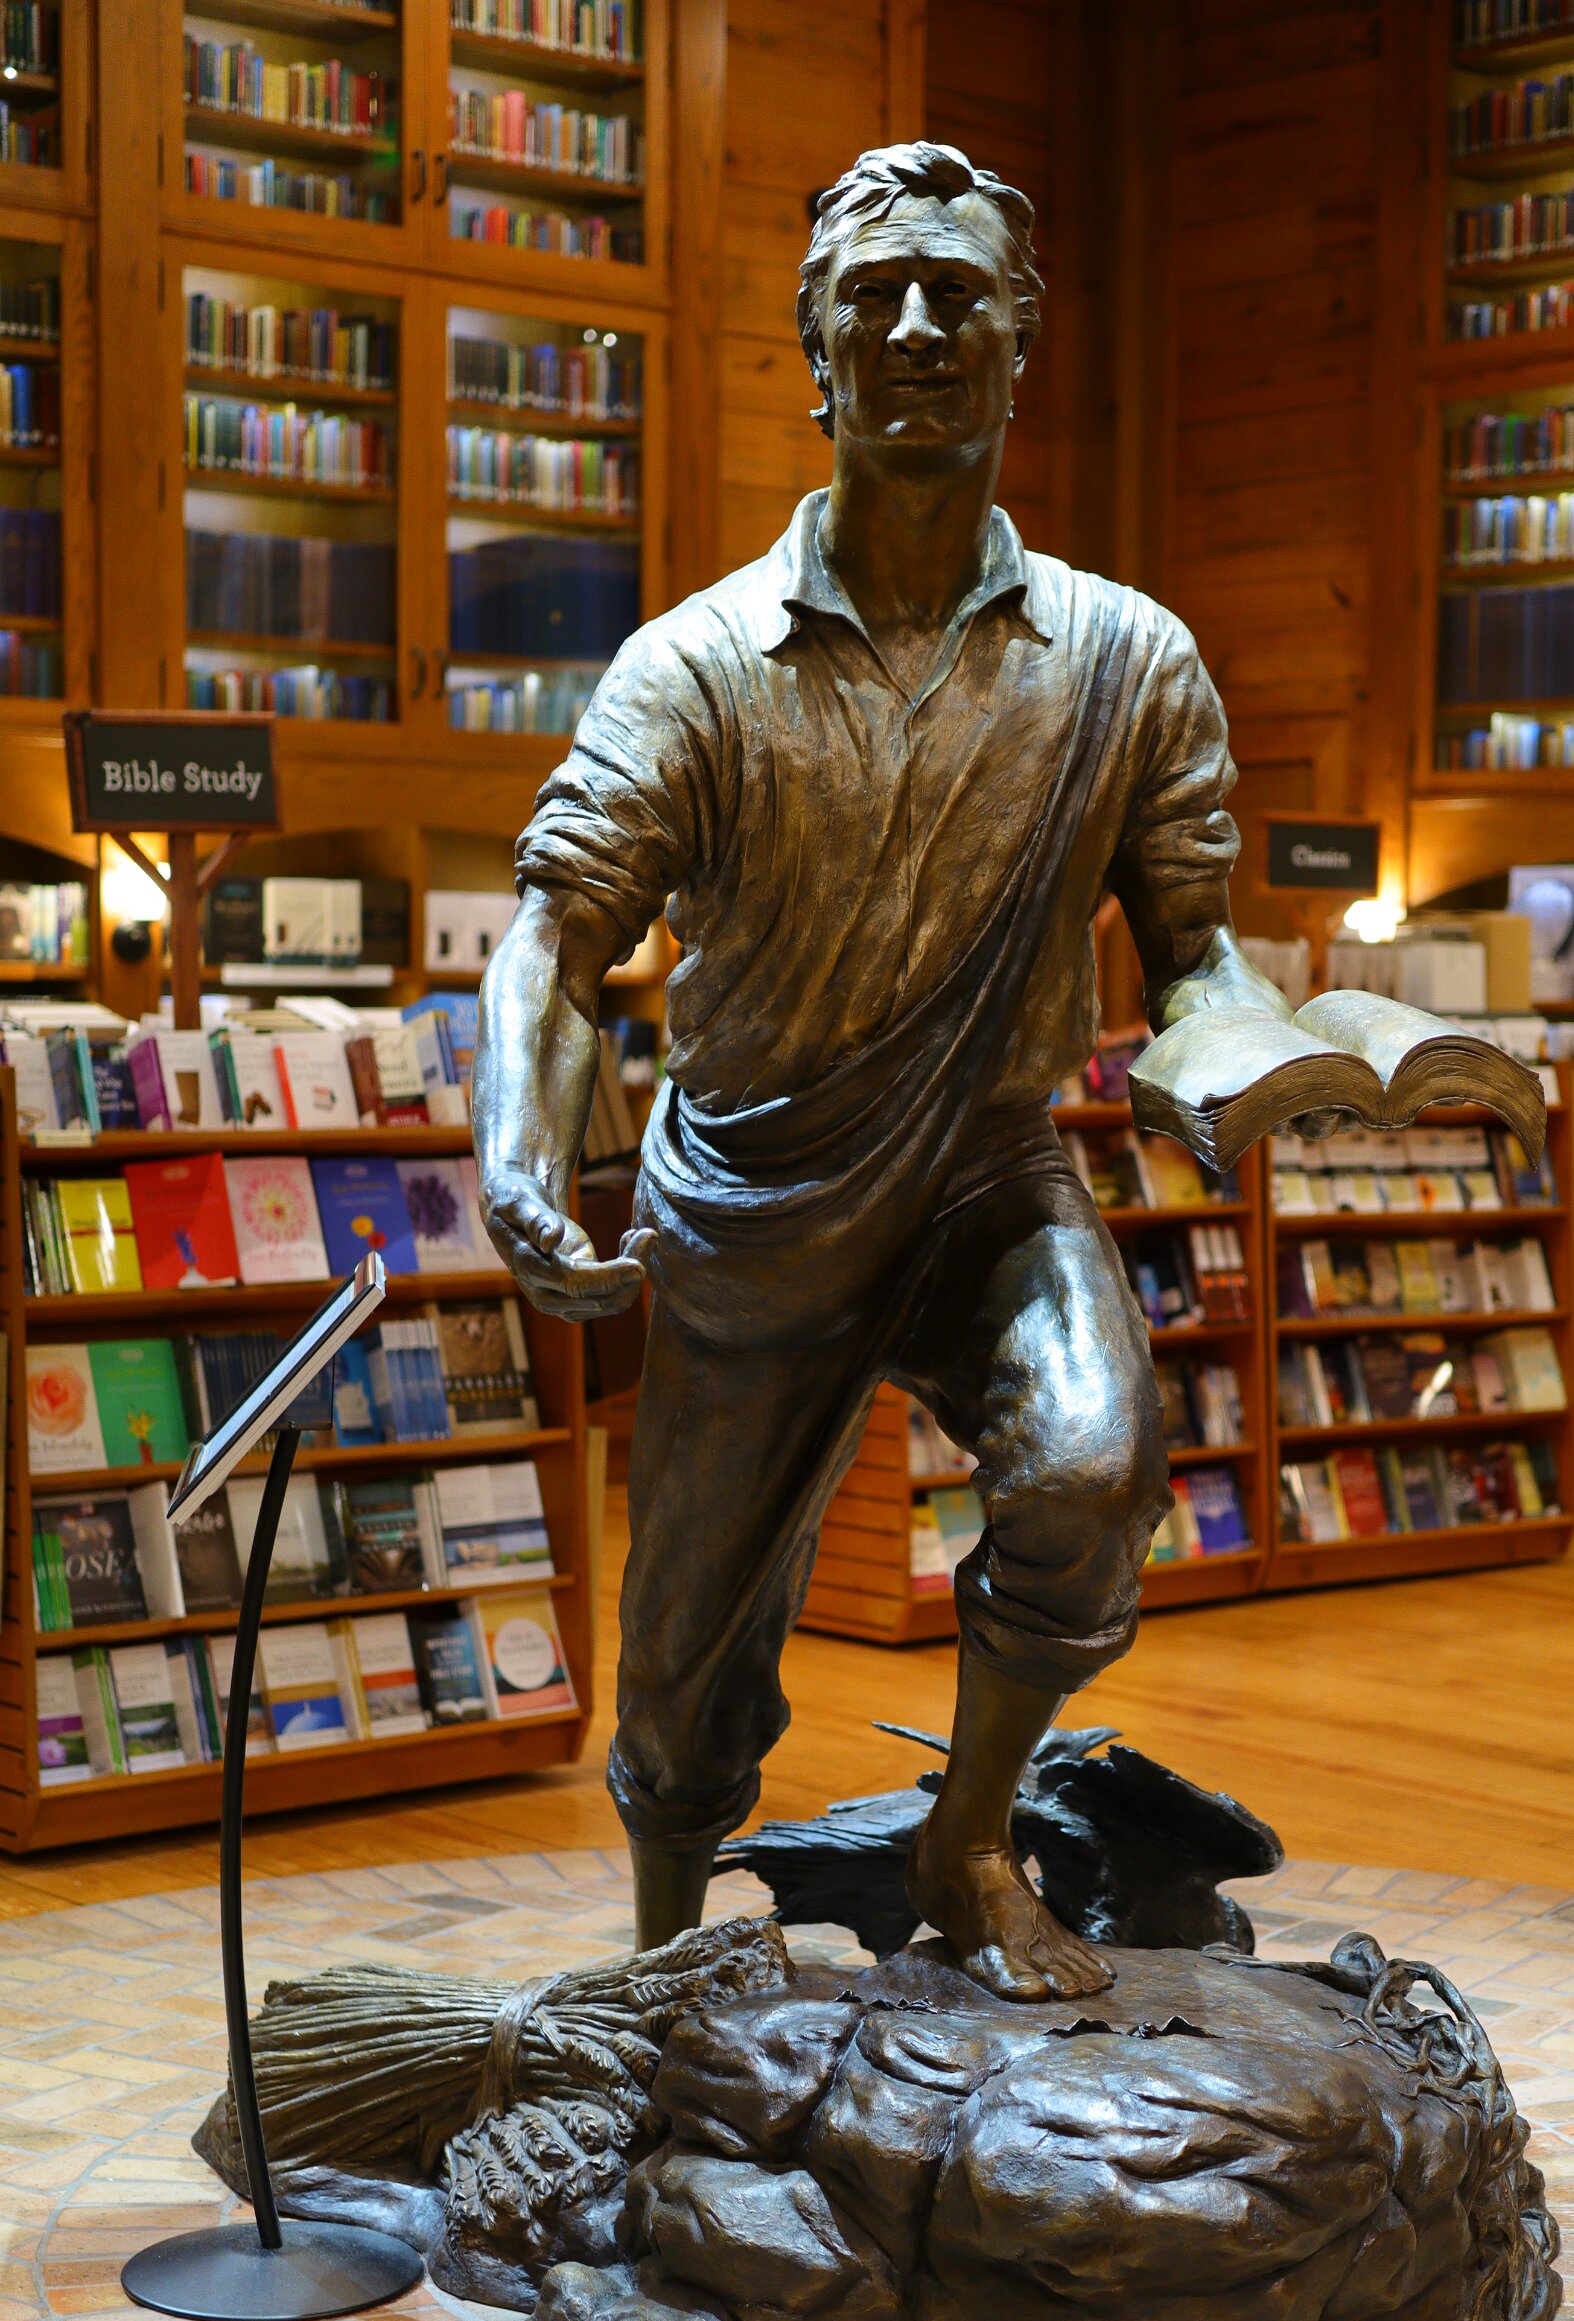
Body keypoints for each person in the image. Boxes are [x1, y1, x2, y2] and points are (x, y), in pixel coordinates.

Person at [474, 139, 1292, 2001]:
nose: (917, 326)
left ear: (1019, 342)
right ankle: (659, 1975)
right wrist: (520, 1148)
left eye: (958, 296)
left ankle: (968, 1839)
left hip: (989, 1182)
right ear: (818, 351)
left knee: (1091, 1470)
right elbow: (558, 931)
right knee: (684, 1672)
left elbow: (1195, 947)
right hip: (748, 1194)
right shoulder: (696, 665)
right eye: (874, 297)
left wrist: (1252, 1050)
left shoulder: (1126, 660)